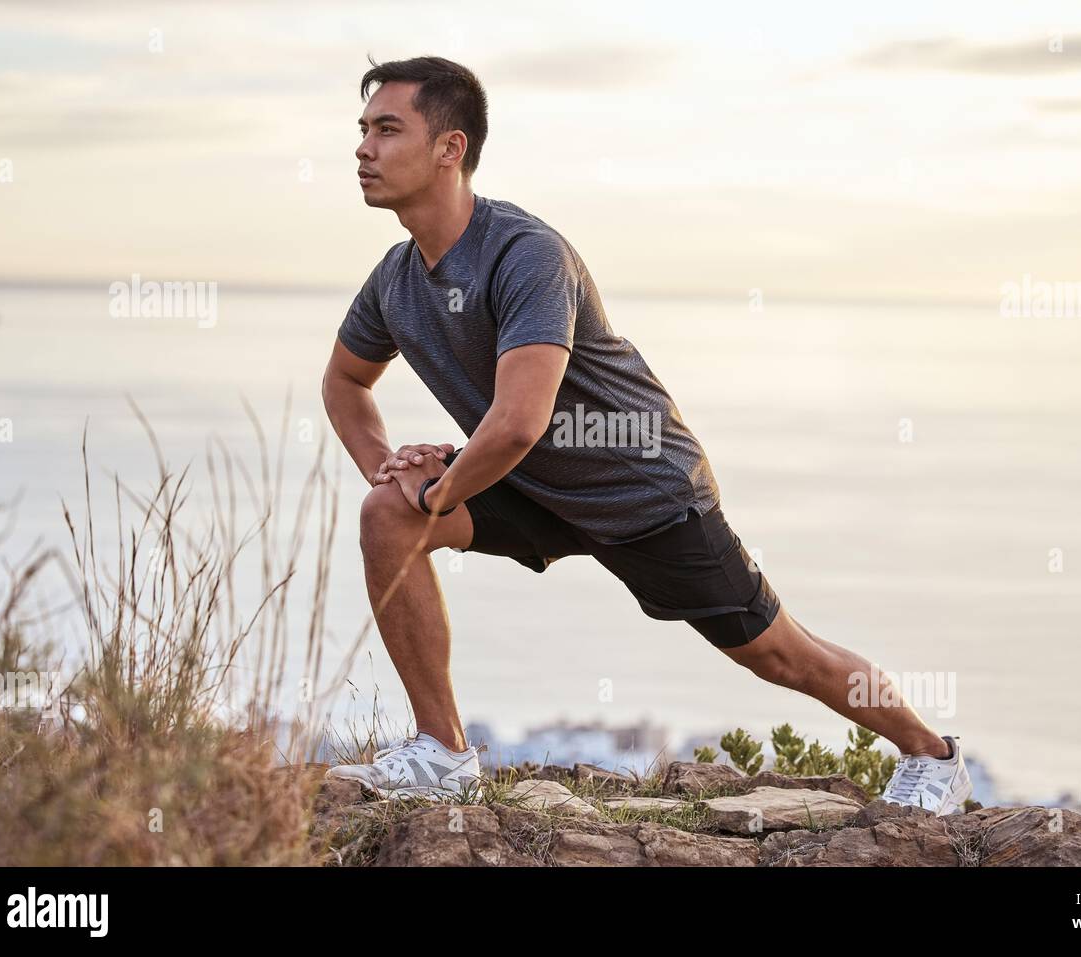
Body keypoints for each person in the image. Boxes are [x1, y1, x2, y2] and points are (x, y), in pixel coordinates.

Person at [321, 56, 971, 814]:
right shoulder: (396, 281)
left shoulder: (525, 254)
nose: (363, 148)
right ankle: (442, 751)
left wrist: (437, 488)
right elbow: (344, 383)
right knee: (388, 517)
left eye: (387, 129)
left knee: (781, 654)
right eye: (362, 130)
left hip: (643, 488)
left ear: (450, 148)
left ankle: (933, 755)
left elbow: (519, 420)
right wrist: (389, 470)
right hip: (531, 482)